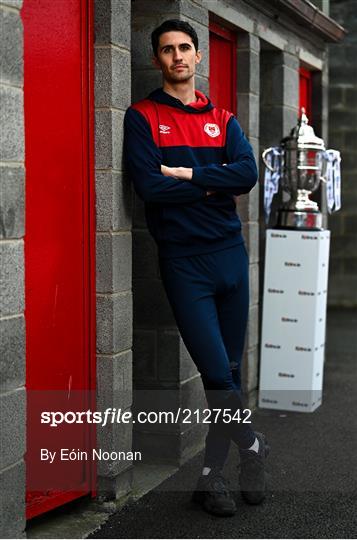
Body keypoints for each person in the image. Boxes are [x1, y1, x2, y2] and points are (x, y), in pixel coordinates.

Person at [124, 19, 269, 517]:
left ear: (198, 56)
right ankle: (252, 446)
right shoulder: (141, 117)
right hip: (185, 263)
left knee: (227, 374)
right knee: (216, 374)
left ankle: (211, 479)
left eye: (185, 48)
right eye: (167, 50)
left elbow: (247, 174)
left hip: (230, 256)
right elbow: (150, 187)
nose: (177, 56)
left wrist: (187, 174)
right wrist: (215, 182)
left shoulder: (224, 118)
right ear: (157, 58)